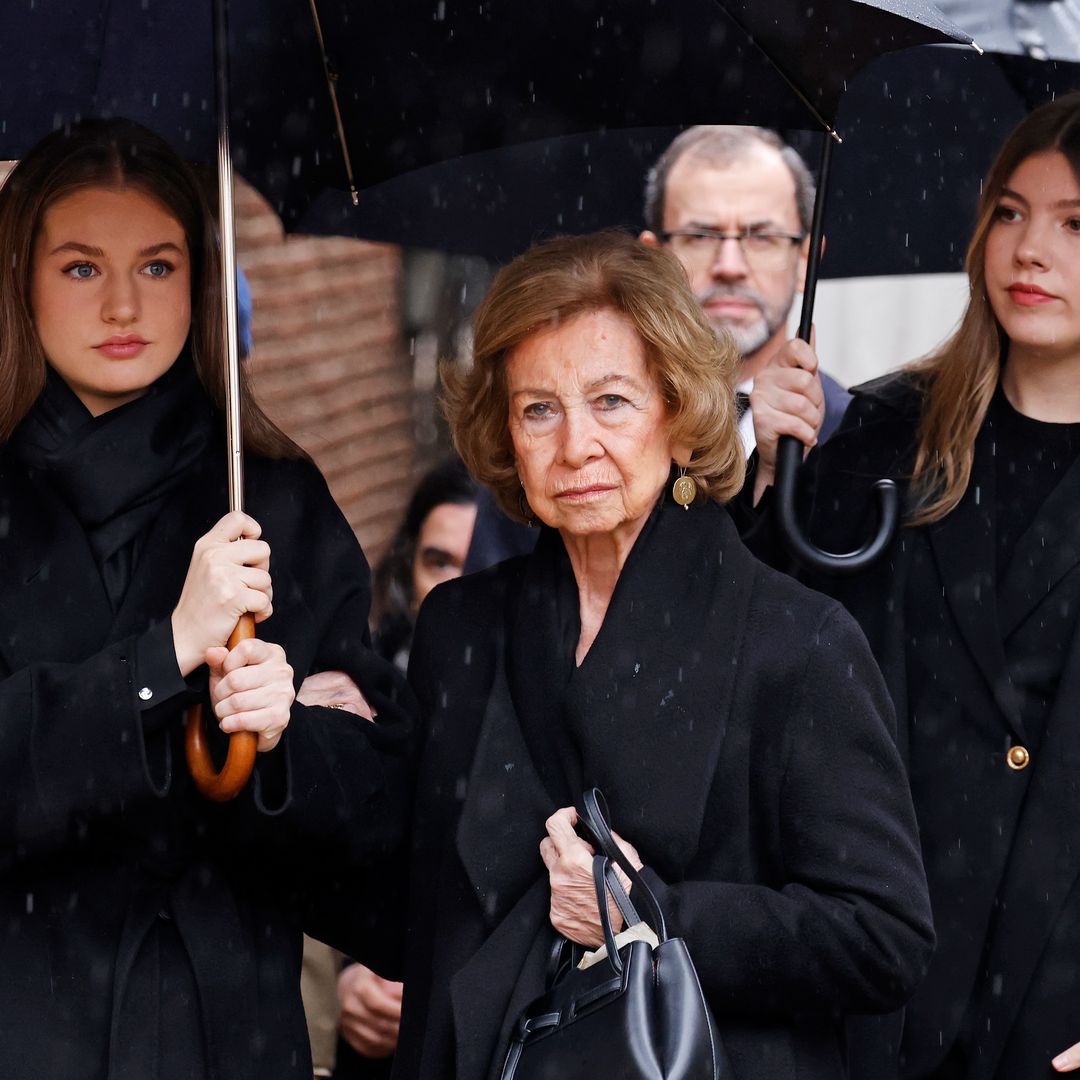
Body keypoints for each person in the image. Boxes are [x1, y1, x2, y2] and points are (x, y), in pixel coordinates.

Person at [391, 230, 934, 1080]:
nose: (575, 448)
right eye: (539, 409)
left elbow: (884, 938)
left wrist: (654, 912)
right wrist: (294, 734)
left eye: (611, 402)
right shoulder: (461, 628)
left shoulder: (797, 644)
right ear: (505, 433)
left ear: (680, 417)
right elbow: (405, 892)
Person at [0, 118, 412, 1079]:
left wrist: (286, 741)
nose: (120, 305)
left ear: (202, 279)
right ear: (20, 281)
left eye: (156, 266)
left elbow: (380, 818)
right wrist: (162, 658)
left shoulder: (271, 499)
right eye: (78, 268)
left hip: (224, 1029)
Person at [743, 93, 1080, 1079]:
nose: (1030, 249)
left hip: (1052, 1007)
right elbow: (755, 658)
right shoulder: (882, 437)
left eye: (1075, 223)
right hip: (872, 992)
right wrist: (770, 474)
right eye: (1010, 212)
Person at [641, 125, 850, 455]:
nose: (730, 266)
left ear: (806, 262)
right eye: (700, 237)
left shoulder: (857, 440)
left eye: (761, 237)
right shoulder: (603, 433)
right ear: (652, 261)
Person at [370, 458, 479, 671]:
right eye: (441, 565)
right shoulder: (370, 687)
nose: (458, 589)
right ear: (409, 570)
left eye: (486, 565)